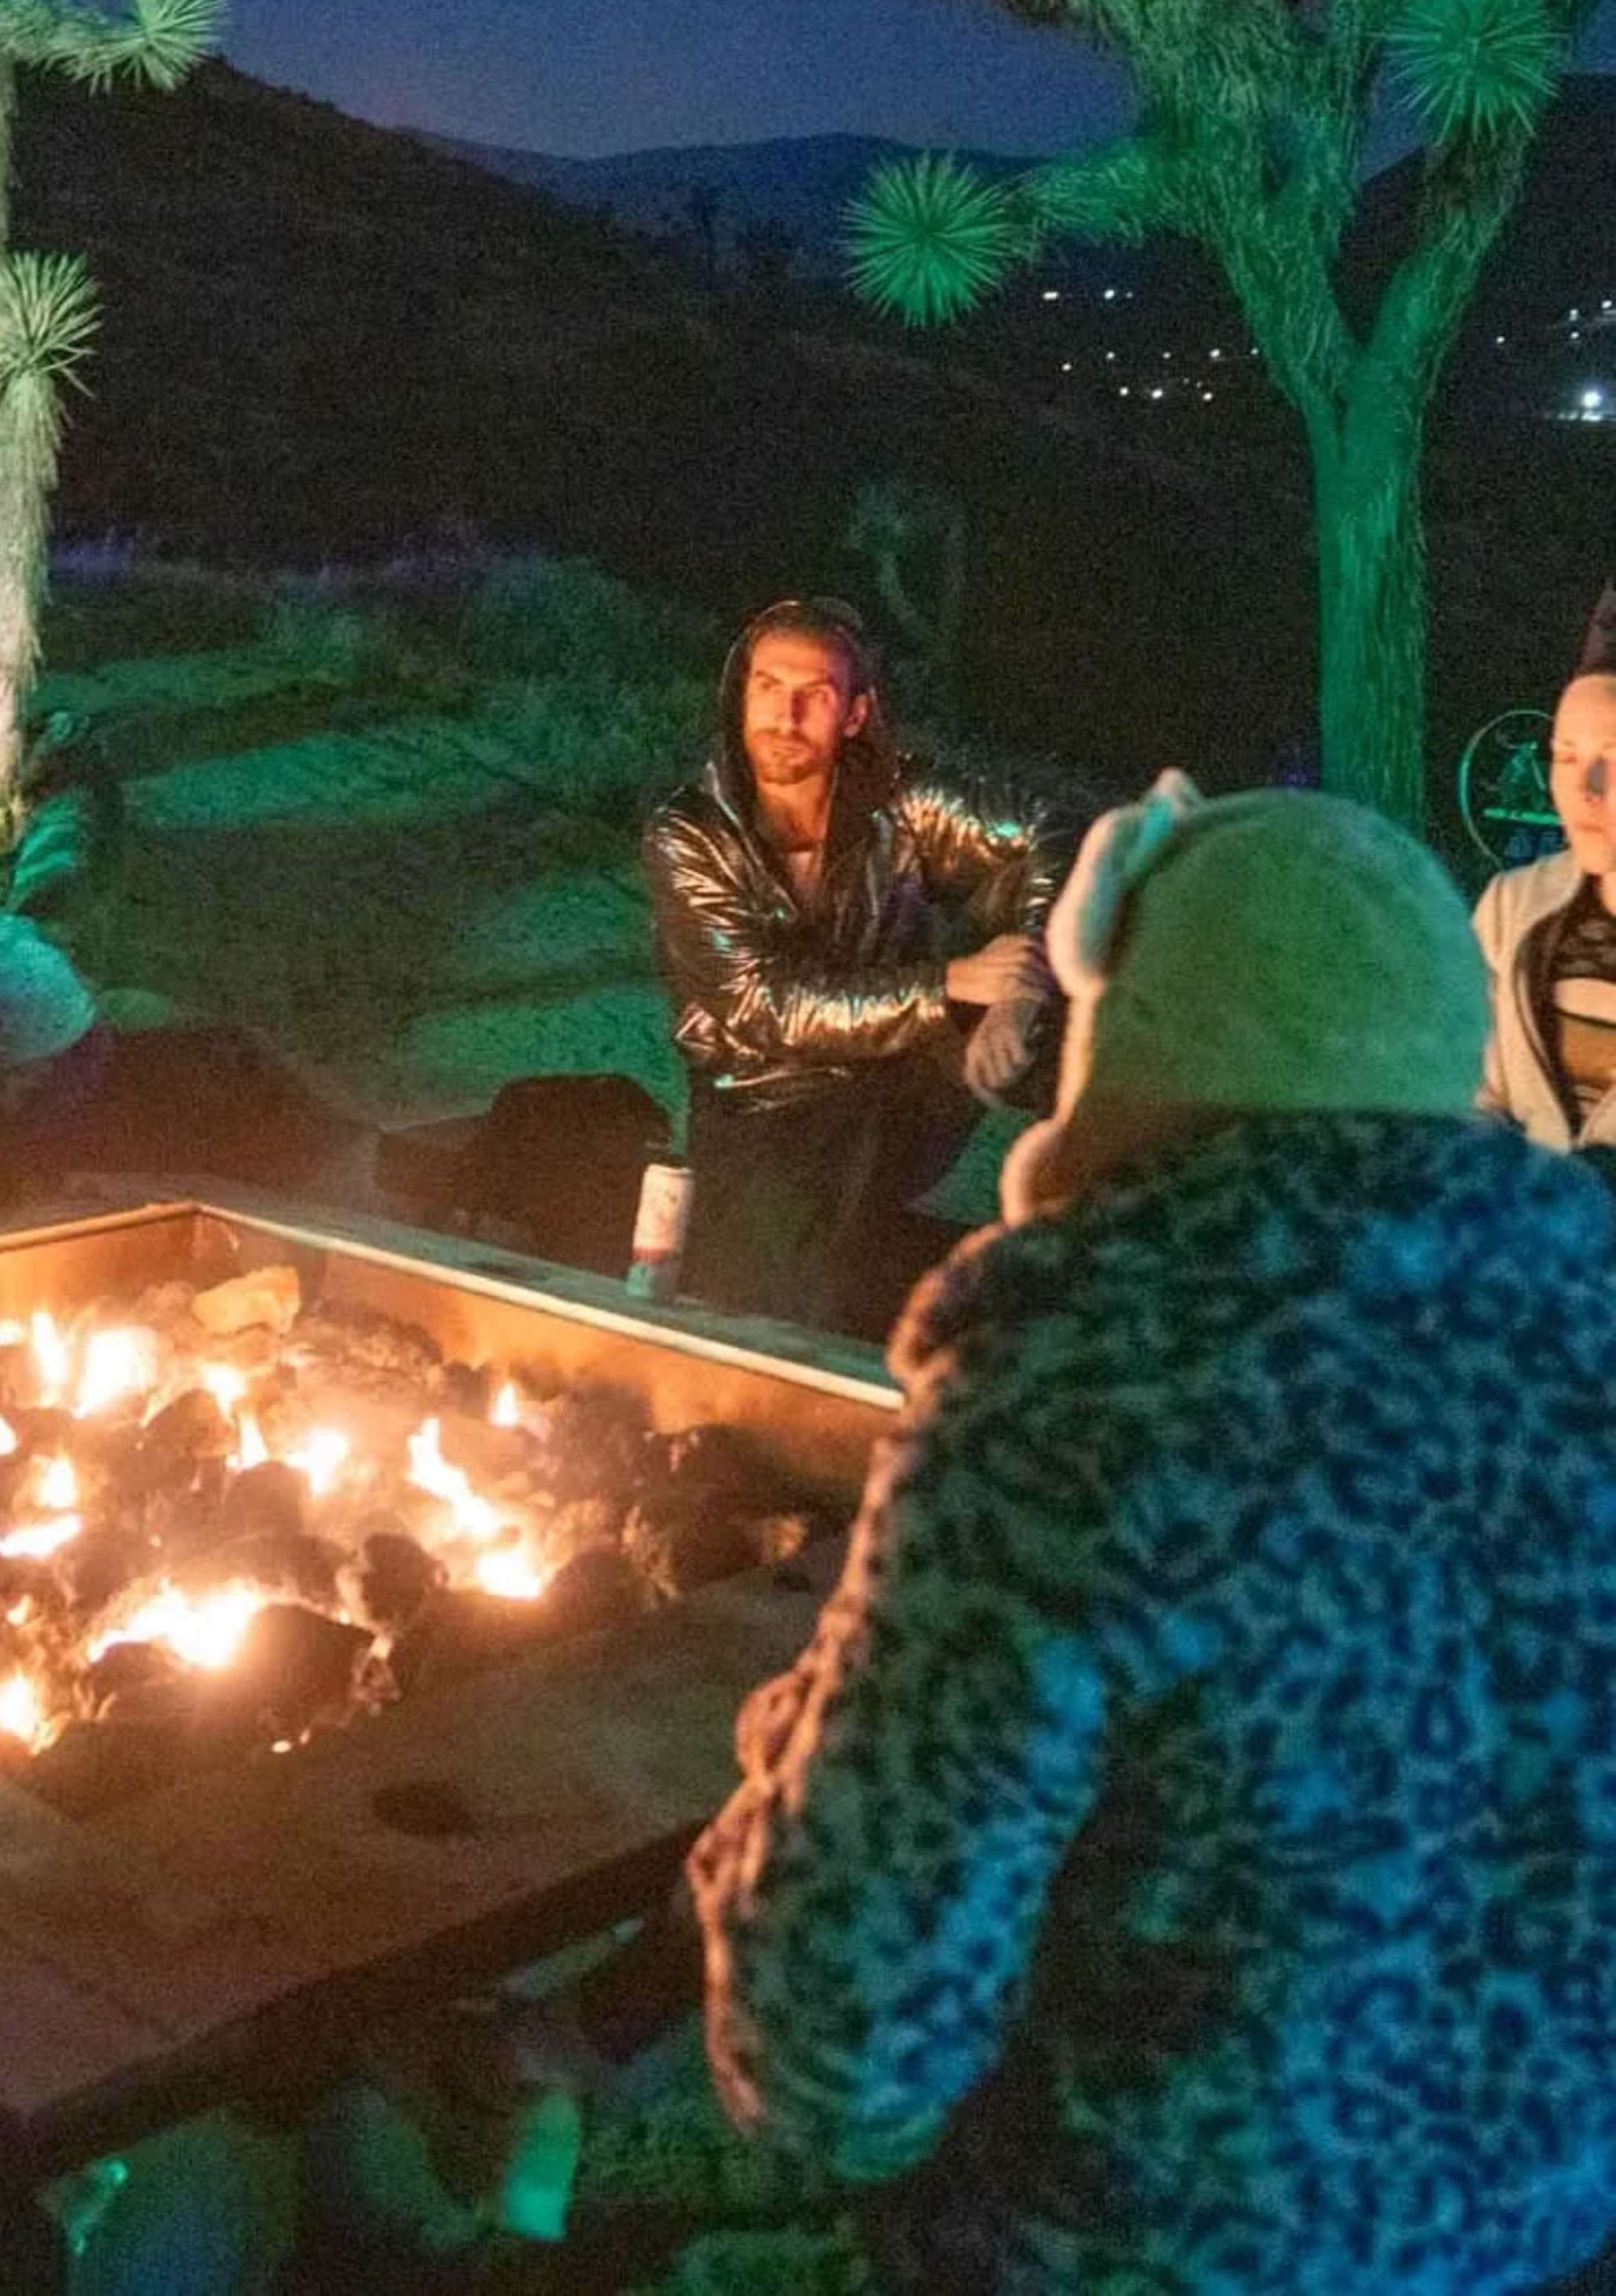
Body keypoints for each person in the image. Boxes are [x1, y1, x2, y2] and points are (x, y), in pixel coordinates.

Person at [689, 776, 1616, 2294]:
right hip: (1544, 2232)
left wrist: (770, 1803)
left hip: (1158, 2251)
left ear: (1137, 1042)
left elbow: (838, 2044)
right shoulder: (1589, 1342)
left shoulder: (1082, 1390)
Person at [642, 595, 1064, 1338]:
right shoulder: (692, 835)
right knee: (771, 1325)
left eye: (815, 695)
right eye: (768, 688)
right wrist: (952, 984)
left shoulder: (897, 800)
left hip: (903, 1076)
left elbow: (1056, 828)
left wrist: (1018, 999)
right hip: (770, 1108)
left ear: (856, 714)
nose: (786, 715)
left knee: (1050, 885)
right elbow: (765, 1005)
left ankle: (1131, 1181)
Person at [1476, 582, 1616, 1157]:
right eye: (1565, 756)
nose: (1587, 788)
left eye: (1613, 757)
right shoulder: (1512, 910)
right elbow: (1471, 1095)